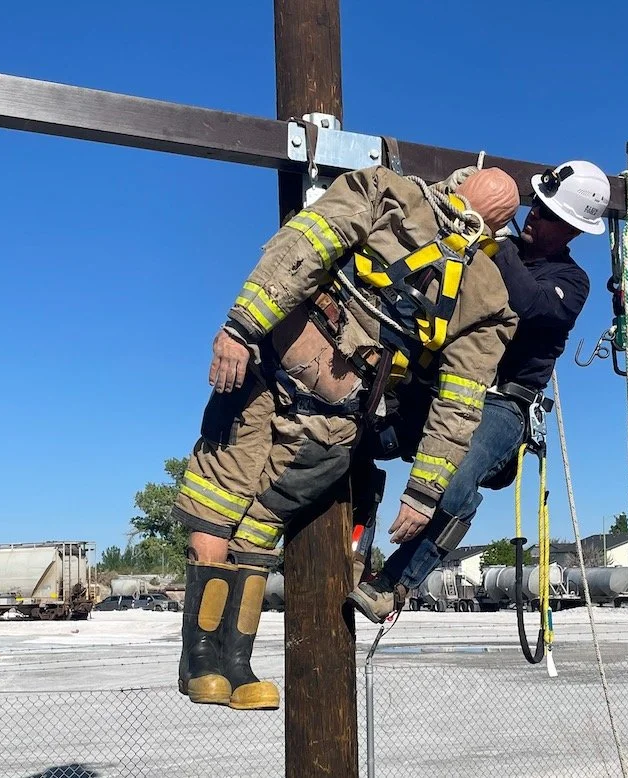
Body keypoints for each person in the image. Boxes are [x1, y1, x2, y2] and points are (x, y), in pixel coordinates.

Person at [173, 164, 521, 710]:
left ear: (456, 180)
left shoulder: (385, 192)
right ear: (502, 231)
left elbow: (300, 248)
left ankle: (216, 666)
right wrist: (425, 489)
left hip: (276, 367)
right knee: (251, 517)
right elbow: (459, 403)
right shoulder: (488, 296)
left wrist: (242, 325)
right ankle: (215, 666)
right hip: (325, 414)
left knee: (225, 502)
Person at [349, 160, 611, 623]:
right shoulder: (492, 247)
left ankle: (392, 585)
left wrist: (487, 236)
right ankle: (353, 543)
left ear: (571, 230)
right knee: (355, 434)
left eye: (549, 215)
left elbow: (529, 304)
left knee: (453, 476)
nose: (535, 216)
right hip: (446, 385)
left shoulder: (571, 281)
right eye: (536, 205)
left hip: (503, 403)